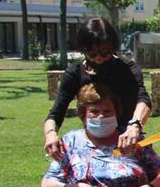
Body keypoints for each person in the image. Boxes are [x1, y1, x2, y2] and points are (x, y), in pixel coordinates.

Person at [44, 18, 151, 160]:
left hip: (128, 139)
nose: (99, 58)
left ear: (113, 47)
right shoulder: (75, 73)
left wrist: (135, 125)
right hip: (93, 142)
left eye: (105, 52)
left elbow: (143, 99)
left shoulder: (128, 69)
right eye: (92, 54)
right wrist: (51, 134)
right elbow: (56, 112)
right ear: (83, 50)